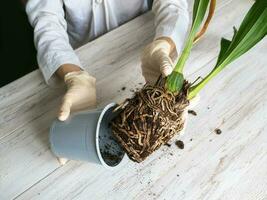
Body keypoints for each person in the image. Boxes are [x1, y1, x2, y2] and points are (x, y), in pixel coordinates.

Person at [26, 0, 189, 164]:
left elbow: (174, 4)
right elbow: (47, 20)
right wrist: (73, 74)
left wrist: (164, 44)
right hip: (78, 54)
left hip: (138, 47)